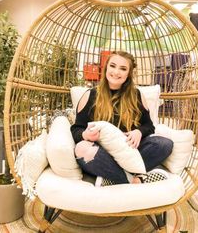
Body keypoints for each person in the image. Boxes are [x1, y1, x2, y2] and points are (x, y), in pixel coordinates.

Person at [71, 51, 173, 186]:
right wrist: (86, 134)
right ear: (106, 67)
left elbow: (149, 126)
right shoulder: (90, 95)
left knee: (164, 144)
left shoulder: (137, 95)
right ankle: (133, 179)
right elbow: (76, 130)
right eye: (112, 66)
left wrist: (139, 132)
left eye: (123, 69)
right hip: (102, 153)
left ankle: (113, 177)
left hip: (130, 151)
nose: (116, 72)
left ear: (129, 74)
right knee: (81, 149)